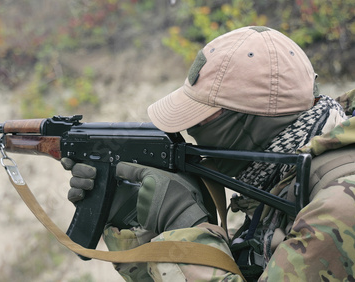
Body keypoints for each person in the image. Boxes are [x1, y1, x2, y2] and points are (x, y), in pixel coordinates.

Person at [62, 26, 355, 281]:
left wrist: (184, 223)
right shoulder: (280, 183)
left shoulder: (339, 208)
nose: (190, 130)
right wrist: (132, 221)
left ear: (255, 119)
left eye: (202, 119)